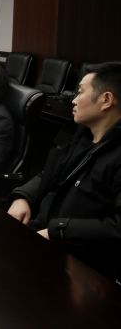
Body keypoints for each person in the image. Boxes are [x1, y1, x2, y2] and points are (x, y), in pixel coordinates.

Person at [7, 62, 121, 279]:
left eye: (80, 92)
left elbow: (117, 228)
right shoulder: (80, 137)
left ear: (106, 100)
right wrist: (24, 197)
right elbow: (48, 175)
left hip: (80, 267)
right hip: (41, 242)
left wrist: (58, 230)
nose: (74, 100)